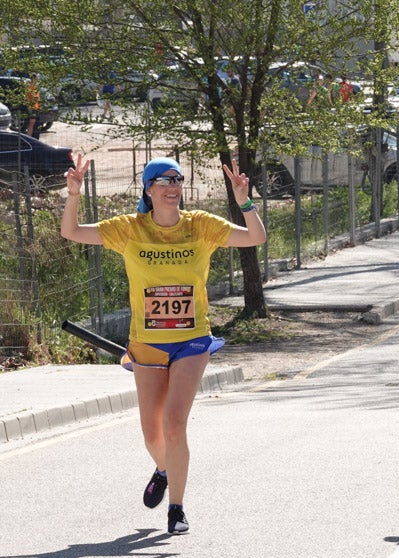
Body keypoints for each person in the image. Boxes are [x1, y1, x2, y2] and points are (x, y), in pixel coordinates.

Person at [60, 154, 268, 535]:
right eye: (164, 181)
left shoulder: (201, 225)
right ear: (148, 189)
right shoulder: (129, 229)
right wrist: (73, 193)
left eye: (178, 181)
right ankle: (164, 469)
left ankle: (176, 509)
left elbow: (255, 237)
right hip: (148, 344)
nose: (173, 187)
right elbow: (71, 231)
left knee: (174, 424)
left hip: (192, 340)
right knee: (152, 433)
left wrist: (245, 201)